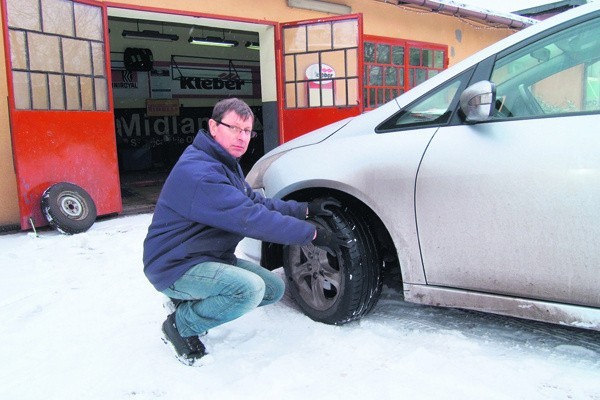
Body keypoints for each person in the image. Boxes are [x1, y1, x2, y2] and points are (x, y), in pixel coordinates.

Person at [143, 97, 348, 366]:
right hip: (174, 264)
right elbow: (252, 218)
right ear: (213, 127)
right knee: (247, 291)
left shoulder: (222, 162)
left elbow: (255, 202)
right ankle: (180, 325)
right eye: (234, 128)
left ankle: (186, 302)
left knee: (272, 289)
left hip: (205, 255)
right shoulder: (201, 173)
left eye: (247, 131)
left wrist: (305, 209)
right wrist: (311, 234)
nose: (242, 137)